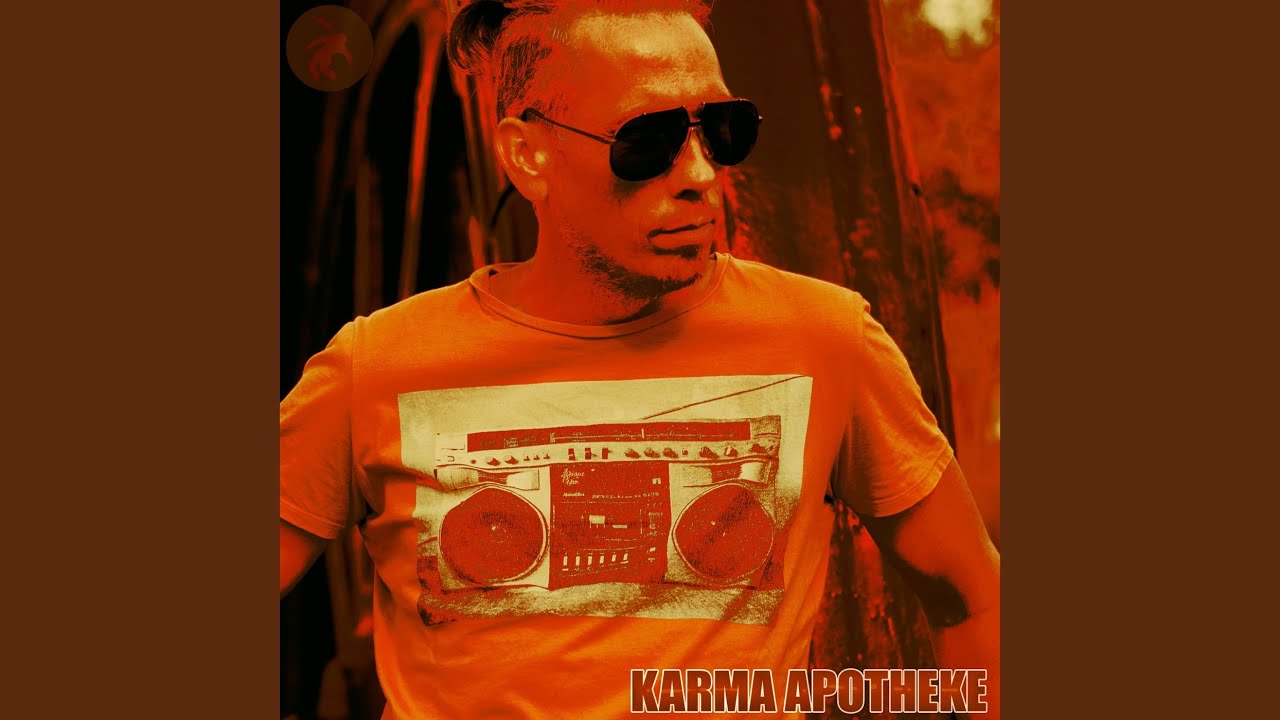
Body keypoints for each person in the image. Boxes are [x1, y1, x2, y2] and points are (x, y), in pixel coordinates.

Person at [280, 0, 1000, 717]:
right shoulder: (380, 364)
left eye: (722, 131)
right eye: (647, 141)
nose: (700, 174)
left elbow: (976, 600)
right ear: (528, 155)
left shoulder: (824, 339)